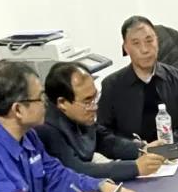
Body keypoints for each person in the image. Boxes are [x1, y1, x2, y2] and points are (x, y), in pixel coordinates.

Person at [0, 60, 144, 192]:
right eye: (40, 98)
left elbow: (56, 176)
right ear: (18, 110)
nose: (46, 103)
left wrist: (100, 186)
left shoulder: (27, 134)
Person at [36, 62, 166, 182]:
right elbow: (76, 170)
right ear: (62, 103)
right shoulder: (46, 127)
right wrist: (135, 167)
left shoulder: (79, 115)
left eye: (95, 97)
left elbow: (105, 141)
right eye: (87, 102)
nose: (95, 107)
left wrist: (142, 149)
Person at [98, 15, 178, 143]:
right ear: (126, 48)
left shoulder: (177, 78)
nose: (145, 49)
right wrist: (131, 147)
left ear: (157, 41)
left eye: (149, 40)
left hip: (173, 149)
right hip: (134, 153)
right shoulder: (111, 85)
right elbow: (102, 132)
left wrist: (170, 142)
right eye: (136, 43)